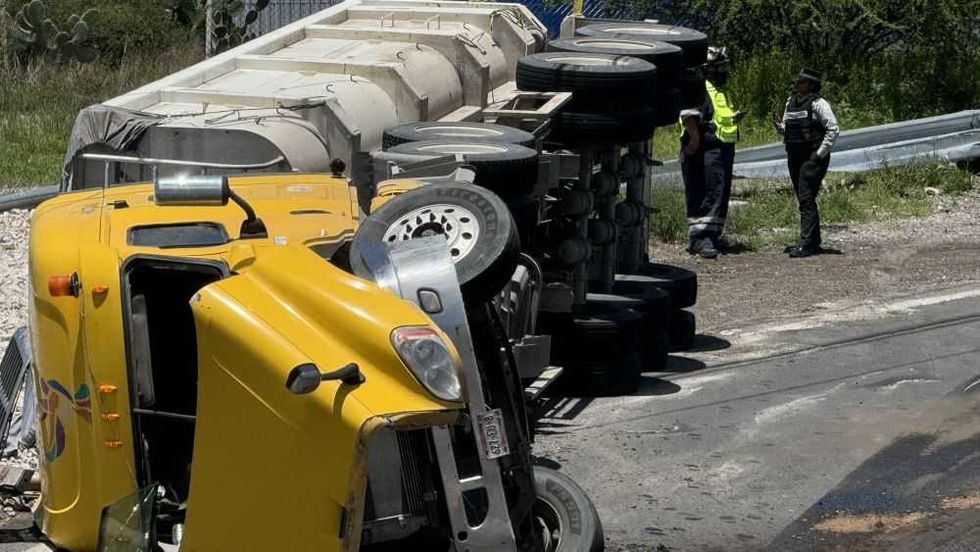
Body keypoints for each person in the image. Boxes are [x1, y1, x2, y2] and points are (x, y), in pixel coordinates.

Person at [679, 46, 744, 259]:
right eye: (720, 67)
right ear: (708, 68)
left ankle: (714, 235)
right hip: (703, 146)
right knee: (704, 192)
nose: (724, 71)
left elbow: (718, 115)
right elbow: (688, 115)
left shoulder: (719, 89)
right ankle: (700, 239)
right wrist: (695, 138)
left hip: (721, 146)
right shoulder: (698, 85)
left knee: (719, 191)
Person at [773, 69, 840, 258]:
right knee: (804, 198)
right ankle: (812, 241)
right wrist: (780, 127)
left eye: (801, 81)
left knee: (806, 197)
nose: (797, 84)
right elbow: (789, 128)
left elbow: (833, 129)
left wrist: (819, 154)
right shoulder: (790, 102)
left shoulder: (819, 103)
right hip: (794, 155)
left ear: (810, 85)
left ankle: (807, 244)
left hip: (812, 158)